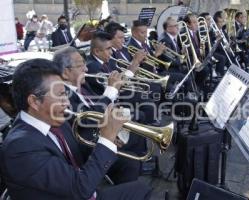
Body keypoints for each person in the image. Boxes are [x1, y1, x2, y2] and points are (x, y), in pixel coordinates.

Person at [0, 58, 152, 199]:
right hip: (77, 191)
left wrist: (106, 139)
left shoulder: (53, 120)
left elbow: (79, 152)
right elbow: (80, 188)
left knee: (134, 176)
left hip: (80, 188)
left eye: (66, 93)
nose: (66, 102)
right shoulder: (19, 147)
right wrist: (106, 139)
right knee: (140, 191)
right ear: (34, 102)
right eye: (60, 95)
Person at [53, 46, 142, 184]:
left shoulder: (82, 86)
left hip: (98, 132)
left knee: (136, 130)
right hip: (86, 146)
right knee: (130, 163)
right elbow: (87, 119)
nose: (86, 69)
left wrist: (112, 131)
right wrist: (111, 90)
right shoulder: (62, 94)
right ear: (65, 73)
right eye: (80, 65)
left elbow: (97, 110)